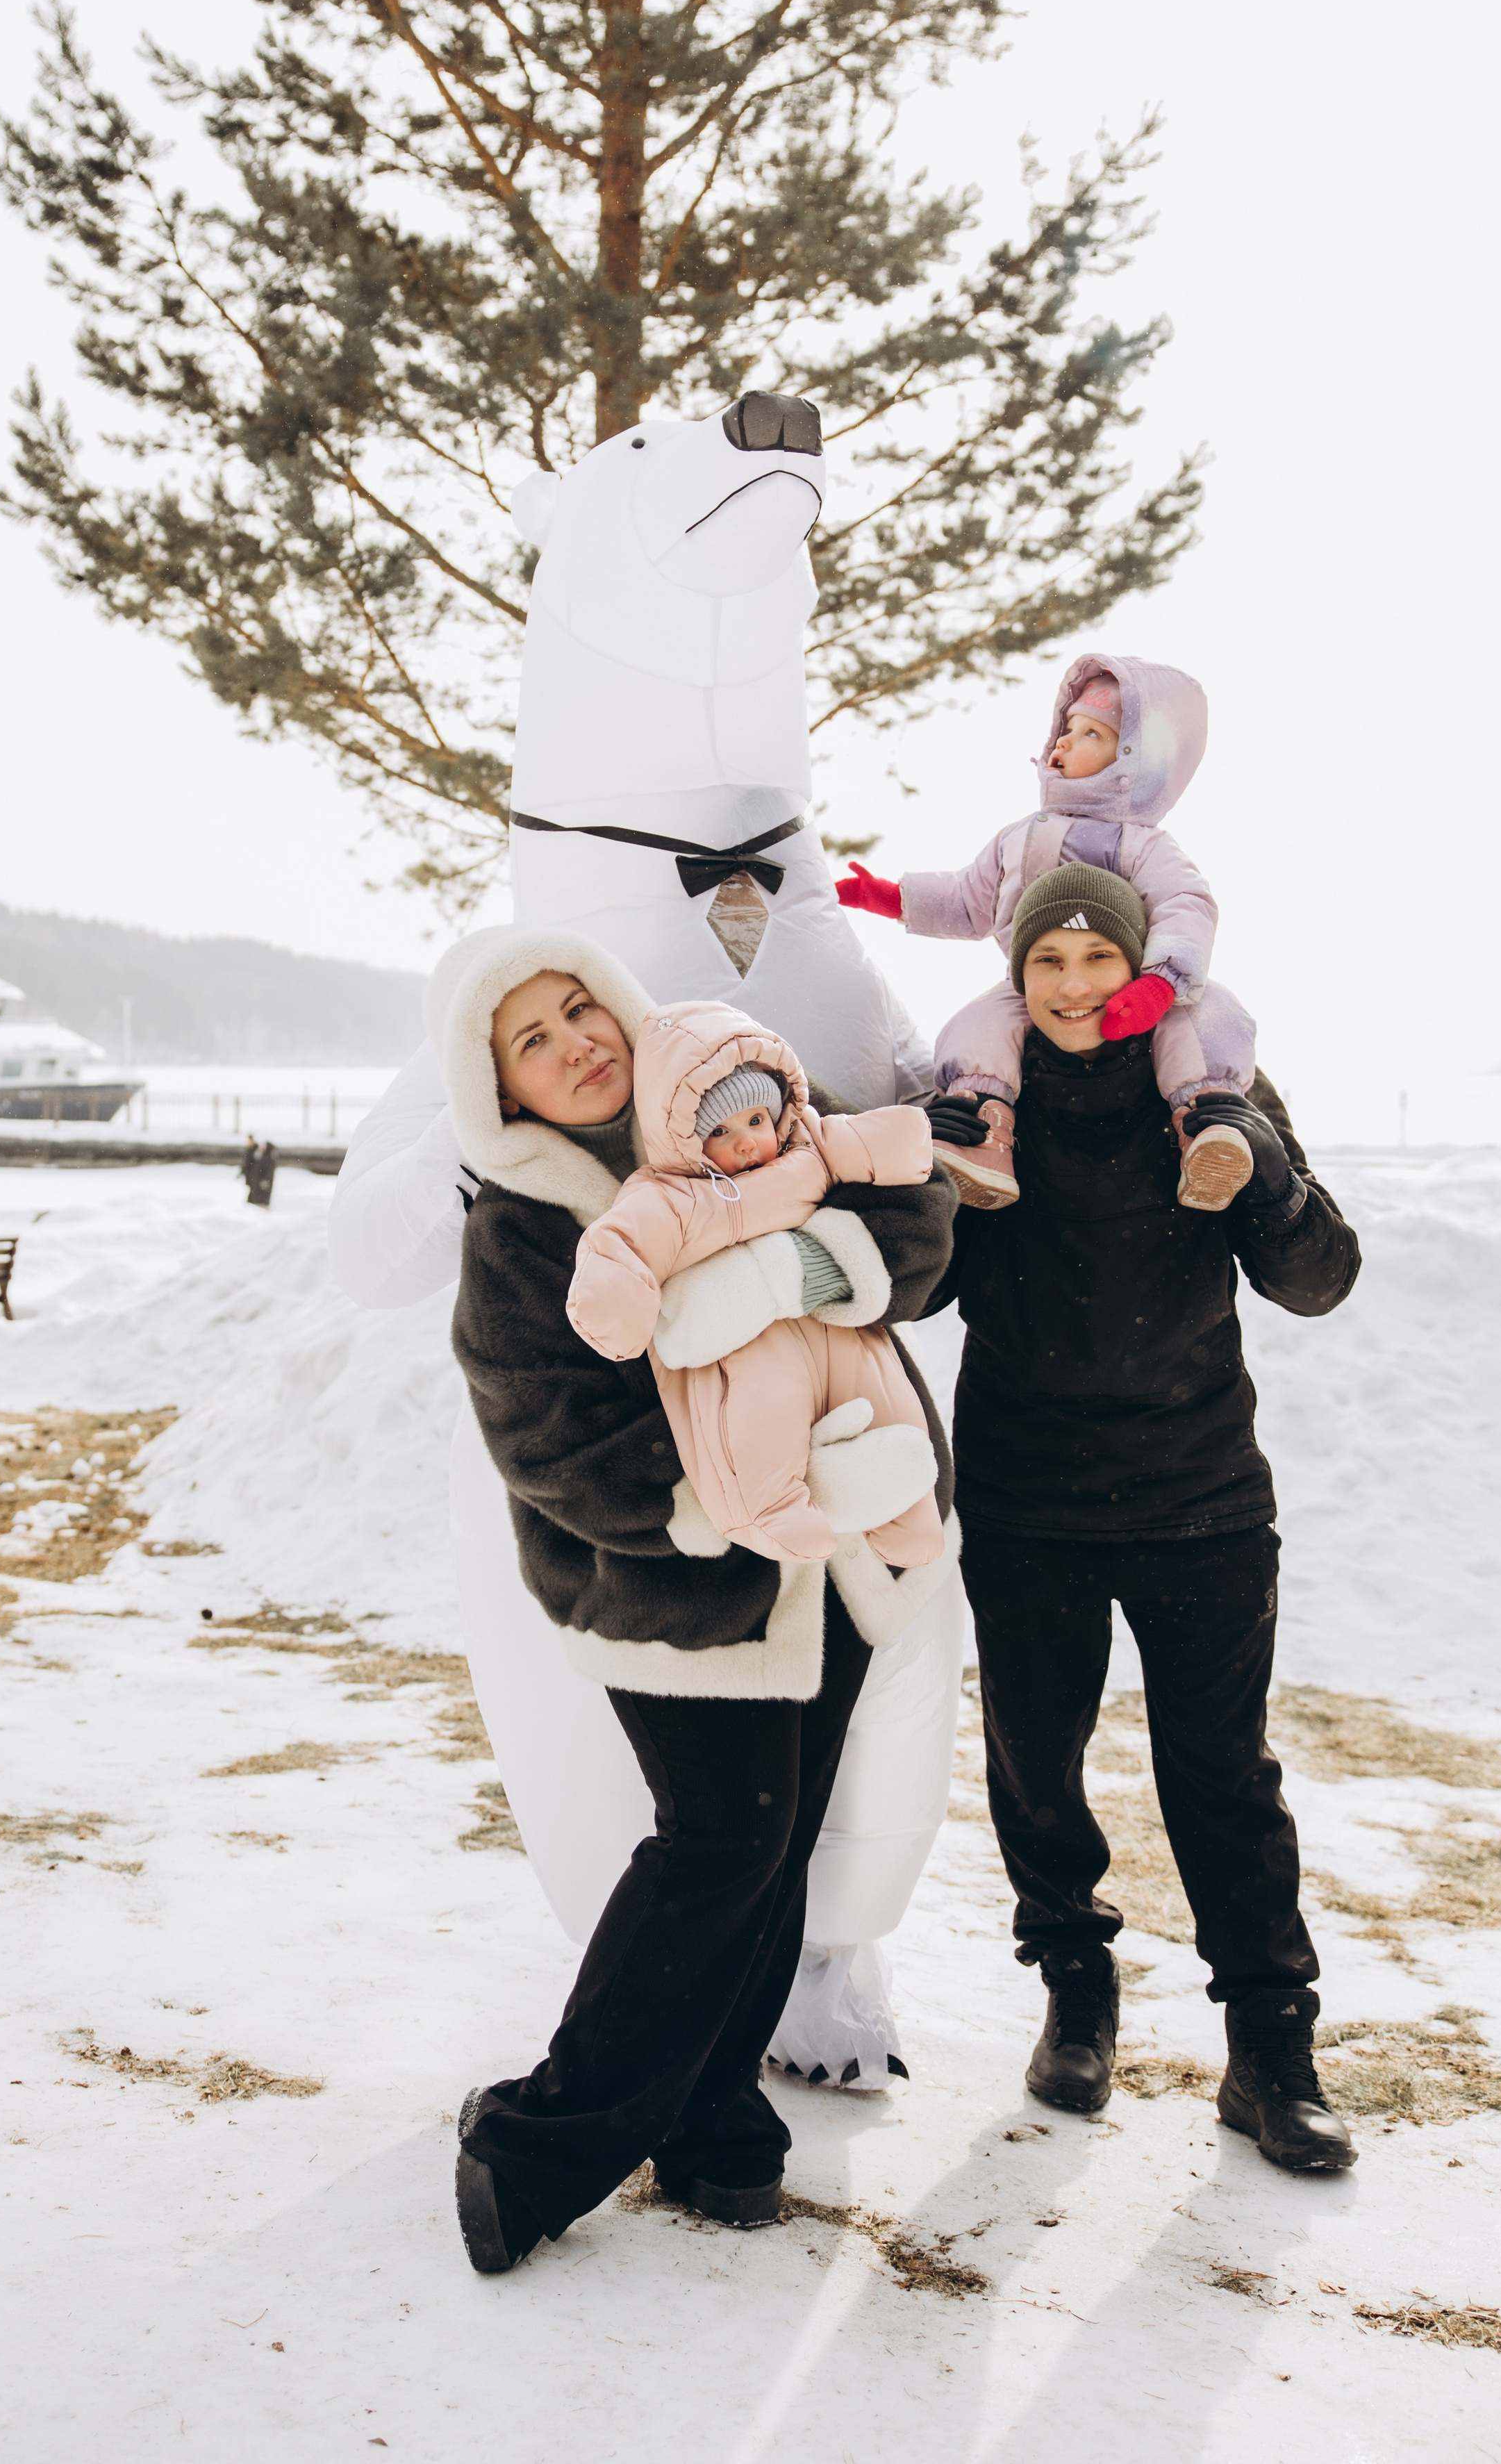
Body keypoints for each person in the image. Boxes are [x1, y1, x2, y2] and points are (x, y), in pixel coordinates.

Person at [433, 927, 957, 2271]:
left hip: (836, 1551)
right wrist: (710, 1506)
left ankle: (717, 2121)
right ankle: (538, 2143)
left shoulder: (732, 1082)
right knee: (723, 1839)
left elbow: (917, 1217)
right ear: (497, 1085)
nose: (574, 1046)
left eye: (577, 1009)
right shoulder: (522, 1226)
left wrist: (797, 1270)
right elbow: (546, 1436)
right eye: (532, 1041)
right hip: (675, 1590)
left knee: (774, 1847)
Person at [921, 863, 1363, 2174]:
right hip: (1029, 1499)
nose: (1073, 986)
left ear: (1139, 966)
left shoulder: (1207, 1088)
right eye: (1046, 962)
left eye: (1097, 958)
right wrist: (922, 1179)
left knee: (1223, 1774)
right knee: (1036, 1761)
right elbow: (913, 1292)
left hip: (1199, 1495)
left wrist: (1263, 1175)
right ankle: (1077, 1988)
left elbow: (1319, 1280)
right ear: (1017, 976)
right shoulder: (982, 1098)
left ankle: (1272, 2050)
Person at [837, 653, 1259, 1214]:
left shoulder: (1142, 843)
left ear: (1131, 763)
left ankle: (1207, 1123)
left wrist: (1160, 984)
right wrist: (892, 898)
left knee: (1209, 1017)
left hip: (1134, 985)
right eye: (1067, 728)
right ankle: (984, 1131)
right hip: (1033, 985)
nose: (1064, 741)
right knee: (975, 1026)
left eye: (1091, 734)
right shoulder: (1019, 837)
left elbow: (1186, 905)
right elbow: (968, 899)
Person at [567, 999, 945, 1573]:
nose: (746, 1142)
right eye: (719, 1131)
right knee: (757, 1419)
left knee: (888, 1396)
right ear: (682, 1138)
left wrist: (903, 1141)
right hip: (750, 1345)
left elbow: (857, 1142)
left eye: (755, 1121)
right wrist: (612, 1302)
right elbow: (622, 1242)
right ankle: (769, 1511)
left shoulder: (807, 1147)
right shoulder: (671, 1195)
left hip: (834, 1323)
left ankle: (911, 1518)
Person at [239, 1136, 277, 1208]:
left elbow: (269, 1172)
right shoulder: (261, 1156)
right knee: (255, 1197)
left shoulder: (269, 1158)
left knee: (262, 1199)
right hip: (257, 1181)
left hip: (263, 1183)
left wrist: (265, 1180)